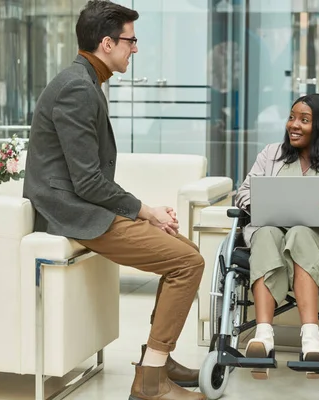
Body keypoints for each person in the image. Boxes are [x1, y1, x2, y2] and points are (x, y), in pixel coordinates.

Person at [23, 2, 206, 399]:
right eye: (131, 40)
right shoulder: (77, 88)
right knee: (188, 262)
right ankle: (151, 382)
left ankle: (156, 358)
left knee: (185, 250)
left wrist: (144, 213)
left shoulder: (85, 82)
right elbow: (87, 181)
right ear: (106, 43)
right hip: (69, 214)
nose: (135, 49)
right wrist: (147, 211)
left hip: (83, 206)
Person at [234, 93, 319, 378]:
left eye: (304, 120)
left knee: (299, 233)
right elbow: (243, 192)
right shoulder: (271, 154)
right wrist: (260, 202)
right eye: (292, 117)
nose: (293, 125)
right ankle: (263, 336)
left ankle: (311, 341)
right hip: (271, 233)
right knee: (268, 233)